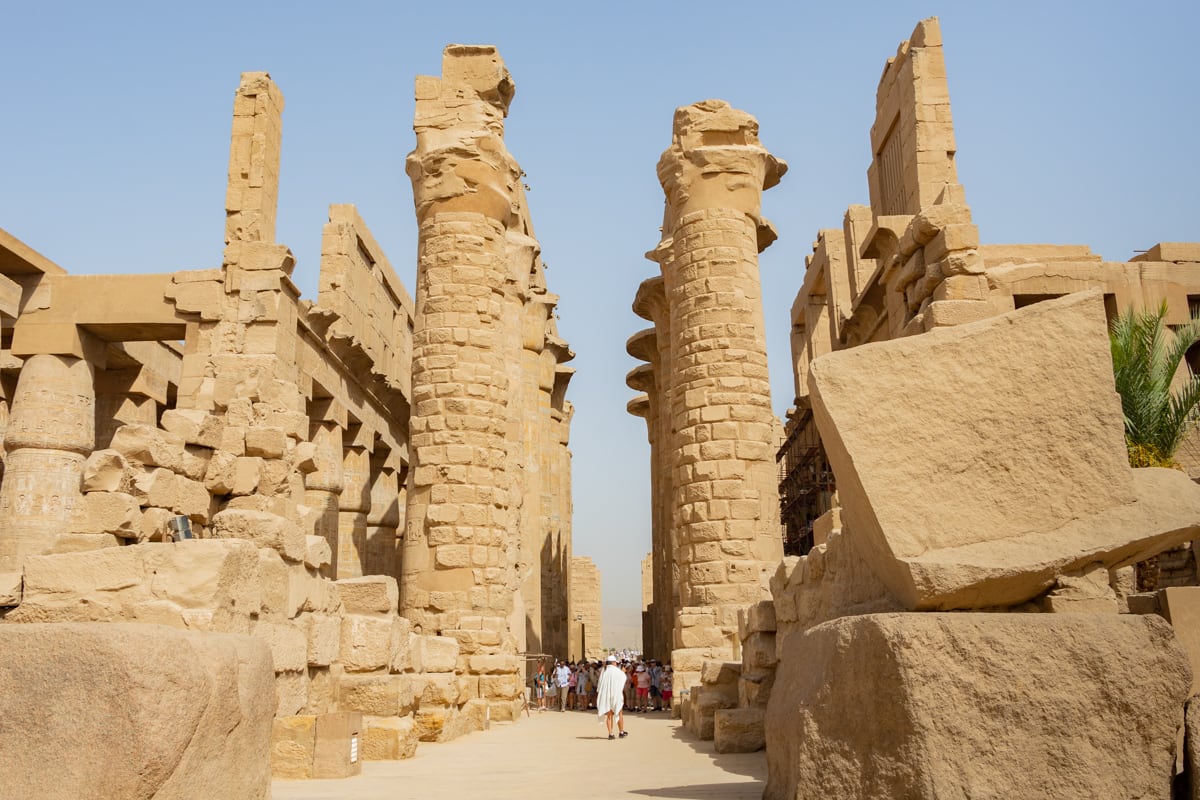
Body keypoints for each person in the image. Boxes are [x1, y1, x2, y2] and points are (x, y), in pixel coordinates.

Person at [596, 654, 627, 740]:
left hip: (606, 696)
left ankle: (611, 733)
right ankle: (621, 731)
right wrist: (623, 672)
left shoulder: (604, 672)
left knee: (609, 715)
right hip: (616, 695)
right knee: (619, 712)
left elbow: (599, 685)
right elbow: (623, 679)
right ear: (613, 663)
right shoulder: (618, 671)